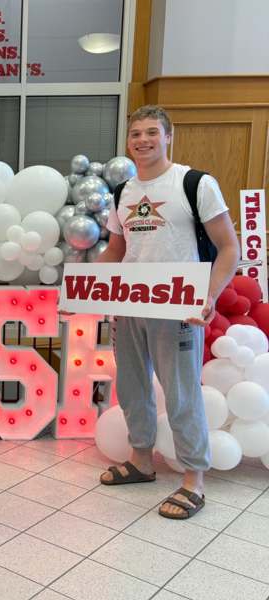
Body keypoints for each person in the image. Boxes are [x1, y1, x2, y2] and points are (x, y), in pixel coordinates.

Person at [95, 105, 238, 519]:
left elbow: (229, 248)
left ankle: (194, 479)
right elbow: (117, 250)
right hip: (130, 306)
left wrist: (208, 296)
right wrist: (79, 289)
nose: (143, 140)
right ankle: (142, 461)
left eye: (152, 133)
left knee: (180, 394)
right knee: (133, 389)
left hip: (178, 308)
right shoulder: (123, 193)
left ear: (169, 136)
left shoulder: (194, 184)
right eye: (136, 133)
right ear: (128, 142)